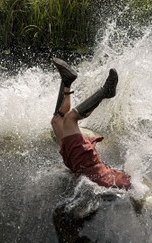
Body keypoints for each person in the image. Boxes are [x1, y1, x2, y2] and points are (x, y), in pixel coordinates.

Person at [50, 58, 131, 190]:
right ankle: (106, 91)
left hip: (79, 164)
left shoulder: (118, 182)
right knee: (69, 119)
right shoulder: (122, 182)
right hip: (83, 164)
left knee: (57, 121)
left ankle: (67, 82)